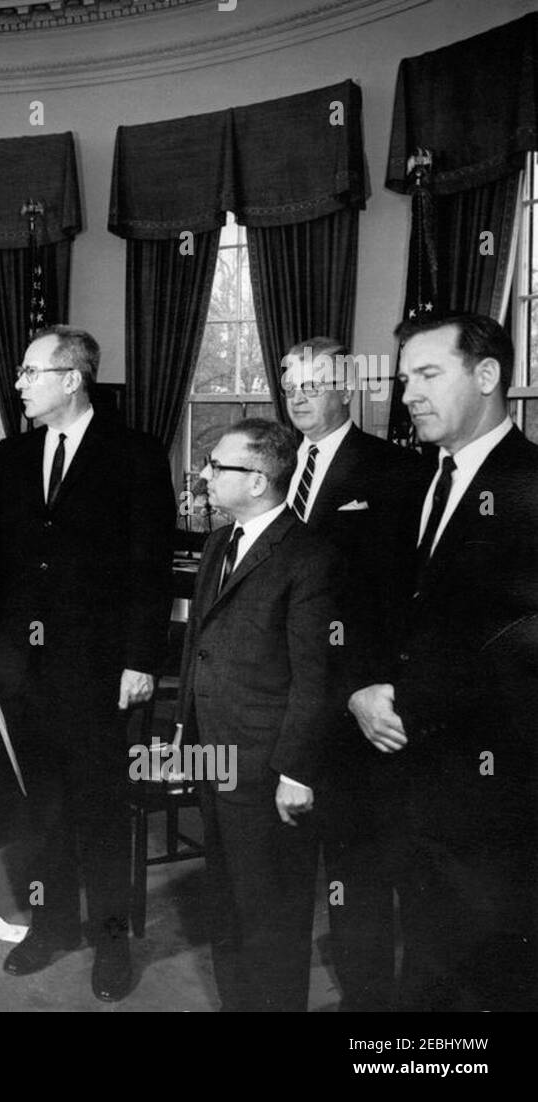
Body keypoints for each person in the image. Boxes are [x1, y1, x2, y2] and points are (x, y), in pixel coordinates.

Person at [0, 326, 172, 1001]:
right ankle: (50, 928)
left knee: (100, 811)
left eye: (30, 371)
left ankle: (111, 944)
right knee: (42, 810)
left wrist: (141, 658)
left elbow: (151, 563)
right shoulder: (14, 453)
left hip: (100, 669)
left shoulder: (136, 454)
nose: (19, 383)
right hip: (23, 667)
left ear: (72, 378)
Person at [348, 312, 538, 1012]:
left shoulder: (531, 484)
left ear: (487, 377)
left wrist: (424, 703)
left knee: (499, 976)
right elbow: (374, 607)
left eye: (429, 375)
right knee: (426, 962)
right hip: (406, 782)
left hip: (498, 795)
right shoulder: (411, 484)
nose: (408, 395)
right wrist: (364, 687)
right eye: (404, 380)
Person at [279, 337, 432, 1012]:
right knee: (276, 860)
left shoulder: (396, 472)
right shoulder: (270, 466)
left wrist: (359, 688)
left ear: (349, 388)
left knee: (355, 866)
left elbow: (402, 599)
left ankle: (366, 1006)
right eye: (291, 386)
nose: (300, 397)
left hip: (349, 704)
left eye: (314, 384)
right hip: (274, 698)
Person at [178, 419, 342, 1012]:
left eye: (217, 467)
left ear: (259, 481)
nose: (204, 476)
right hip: (213, 755)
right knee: (224, 901)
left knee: (272, 912)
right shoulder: (221, 541)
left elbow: (315, 675)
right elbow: (199, 640)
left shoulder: (309, 555)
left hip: (269, 768)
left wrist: (297, 772)